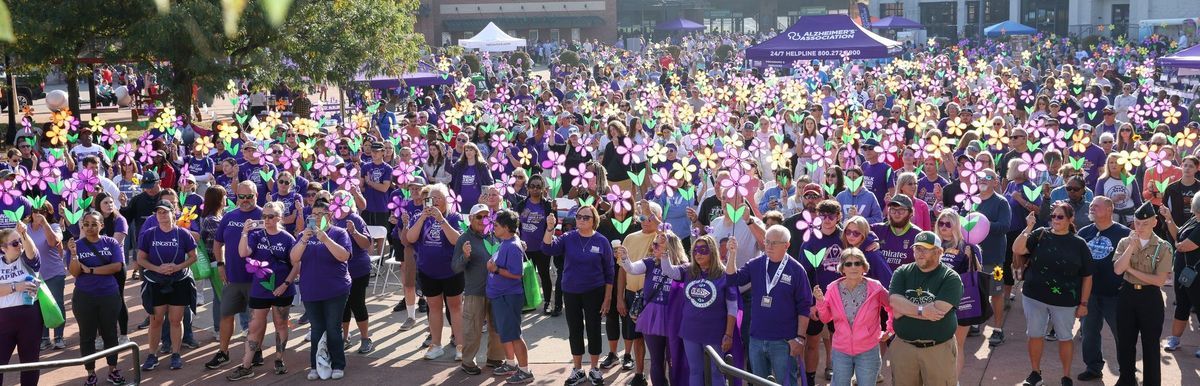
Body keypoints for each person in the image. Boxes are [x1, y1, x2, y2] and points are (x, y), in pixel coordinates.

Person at [1012, 202, 1093, 386]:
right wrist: (1029, 226)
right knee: (1034, 334)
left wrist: (1084, 303)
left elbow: (1088, 276)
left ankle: (1066, 376)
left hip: (1065, 300)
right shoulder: (1040, 234)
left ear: (1070, 219)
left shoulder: (1079, 244)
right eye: (1053, 216)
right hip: (1034, 296)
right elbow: (1017, 249)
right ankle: (1035, 373)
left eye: (1060, 216)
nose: (1055, 220)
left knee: (1065, 337)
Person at [724, 225, 811, 386]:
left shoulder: (797, 270)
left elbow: (804, 307)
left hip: (784, 341)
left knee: (787, 383)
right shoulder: (756, 264)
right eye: (767, 242)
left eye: (774, 243)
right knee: (759, 383)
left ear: (787, 245)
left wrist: (800, 338)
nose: (768, 247)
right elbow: (732, 280)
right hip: (756, 338)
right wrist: (732, 254)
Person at [542, 205, 615, 386]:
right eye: (579, 216)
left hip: (594, 291)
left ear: (594, 221)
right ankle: (577, 369)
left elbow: (610, 271)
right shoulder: (568, 237)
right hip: (571, 291)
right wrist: (550, 228)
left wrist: (607, 297)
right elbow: (547, 248)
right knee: (575, 329)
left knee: (594, 328)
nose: (581, 220)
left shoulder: (602, 241)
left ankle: (594, 368)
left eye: (586, 217)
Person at [227, 202, 298, 380]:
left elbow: (297, 264)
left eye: (271, 216)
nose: (267, 220)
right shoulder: (256, 236)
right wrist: (244, 232)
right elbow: (243, 253)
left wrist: (286, 284)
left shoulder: (288, 238)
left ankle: (279, 359)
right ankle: (246, 365)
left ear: (279, 217)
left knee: (281, 324)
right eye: (264, 216)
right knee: (254, 327)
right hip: (260, 289)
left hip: (283, 290)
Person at [656, 234, 737, 386]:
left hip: (715, 333)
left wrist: (729, 334)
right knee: (695, 370)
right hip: (690, 331)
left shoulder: (725, 273)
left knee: (716, 371)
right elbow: (668, 270)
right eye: (695, 250)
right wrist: (664, 249)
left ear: (712, 251)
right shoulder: (689, 270)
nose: (698, 254)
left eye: (703, 250)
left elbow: (732, 306)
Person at [887, 231, 963, 385]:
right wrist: (922, 310)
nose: (920, 253)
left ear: (939, 251)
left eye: (926, 249)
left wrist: (906, 309)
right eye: (917, 249)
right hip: (904, 347)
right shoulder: (902, 272)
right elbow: (895, 304)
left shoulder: (950, 278)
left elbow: (938, 312)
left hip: (938, 349)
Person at [812, 247, 894, 386]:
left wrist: (890, 329)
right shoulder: (832, 289)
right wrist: (820, 302)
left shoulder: (876, 288)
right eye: (848, 264)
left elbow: (891, 307)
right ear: (842, 268)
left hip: (868, 350)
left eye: (857, 263)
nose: (853, 267)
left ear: (864, 267)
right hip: (841, 350)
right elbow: (825, 318)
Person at [291, 197, 352, 381]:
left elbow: (344, 256)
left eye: (321, 214)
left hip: (335, 289)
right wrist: (303, 240)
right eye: (314, 214)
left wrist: (325, 239)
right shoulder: (304, 235)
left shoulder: (339, 233)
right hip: (311, 289)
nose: (317, 217)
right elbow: (294, 258)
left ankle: (337, 364)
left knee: (333, 327)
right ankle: (315, 365)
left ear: (330, 215)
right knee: (317, 328)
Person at [1112, 202, 1173, 386]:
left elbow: (1159, 281)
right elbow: (1117, 270)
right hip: (1127, 295)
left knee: (1151, 344)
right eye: (1137, 223)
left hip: (1150, 298)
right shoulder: (1125, 242)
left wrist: (1130, 269)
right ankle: (1127, 380)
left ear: (1155, 222)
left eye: (1145, 223)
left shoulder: (1163, 247)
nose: (1140, 227)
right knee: (1125, 341)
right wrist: (1131, 247)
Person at [67, 211, 128, 386]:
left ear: (102, 225)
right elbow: (74, 272)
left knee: (110, 333)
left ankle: (112, 370)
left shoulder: (111, 243)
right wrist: (73, 254)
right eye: (86, 224)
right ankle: (91, 373)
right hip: (84, 297)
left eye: (94, 224)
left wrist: (92, 270)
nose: (90, 228)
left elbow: (116, 266)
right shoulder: (76, 245)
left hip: (109, 295)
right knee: (87, 335)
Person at [404, 183, 464, 360]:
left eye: (439, 198)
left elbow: (457, 241)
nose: (435, 201)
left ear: (446, 200)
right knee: (434, 307)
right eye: (432, 198)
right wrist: (422, 218)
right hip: (428, 270)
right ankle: (436, 344)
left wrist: (441, 220)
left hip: (451, 271)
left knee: (455, 307)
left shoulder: (453, 217)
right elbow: (410, 238)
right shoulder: (419, 216)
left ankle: (461, 345)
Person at [617, 230, 685, 386]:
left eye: (658, 244)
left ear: (670, 247)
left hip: (674, 316)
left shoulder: (684, 267)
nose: (653, 247)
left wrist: (666, 257)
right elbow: (632, 269)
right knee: (656, 360)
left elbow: (670, 272)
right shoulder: (649, 262)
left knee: (673, 358)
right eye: (653, 243)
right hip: (652, 317)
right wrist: (625, 257)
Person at [207, 182, 263, 370]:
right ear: (236, 196)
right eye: (242, 196)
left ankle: (256, 351)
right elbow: (217, 243)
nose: (245, 201)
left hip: (256, 279)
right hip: (232, 277)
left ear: (256, 195)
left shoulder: (264, 215)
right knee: (226, 315)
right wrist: (220, 264)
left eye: (250, 196)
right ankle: (223, 352)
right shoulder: (229, 216)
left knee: (256, 318)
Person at [138, 200, 199, 371]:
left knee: (175, 319)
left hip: (178, 281)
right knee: (156, 320)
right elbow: (141, 258)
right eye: (159, 212)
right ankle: (152, 355)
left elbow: (193, 257)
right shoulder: (150, 234)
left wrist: (177, 267)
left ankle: (176, 354)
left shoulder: (183, 234)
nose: (162, 215)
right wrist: (157, 268)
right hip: (156, 282)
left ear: (174, 213)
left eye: (165, 212)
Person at [1075, 196, 1129, 381]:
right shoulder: (1084, 232)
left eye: (1096, 206)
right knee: (1089, 333)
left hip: (1116, 295)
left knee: (1122, 335)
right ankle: (1093, 367)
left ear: (1109, 210)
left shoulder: (1124, 233)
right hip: (1089, 294)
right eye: (1091, 206)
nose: (1091, 208)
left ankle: (1126, 372)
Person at [451, 204, 506, 375]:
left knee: (497, 327)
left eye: (485, 216)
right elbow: (455, 267)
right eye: (479, 217)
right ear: (470, 219)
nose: (483, 220)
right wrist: (465, 256)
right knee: (472, 329)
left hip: (496, 290)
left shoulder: (494, 235)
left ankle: (495, 358)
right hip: (475, 292)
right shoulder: (464, 238)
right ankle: (467, 362)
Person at [486, 209, 536, 384]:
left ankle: (524, 370)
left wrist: (496, 269)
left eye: (497, 225)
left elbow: (517, 274)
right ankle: (510, 363)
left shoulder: (512, 246)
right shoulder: (507, 242)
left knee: (514, 334)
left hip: (508, 297)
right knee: (506, 333)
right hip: (501, 296)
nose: (493, 227)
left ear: (506, 228)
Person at [933, 210, 984, 376]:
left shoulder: (968, 245)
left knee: (956, 345)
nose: (943, 227)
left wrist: (971, 256)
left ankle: (953, 381)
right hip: (934, 300)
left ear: (956, 226)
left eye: (948, 224)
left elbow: (979, 272)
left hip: (961, 301)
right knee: (936, 345)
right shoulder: (933, 243)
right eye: (941, 223)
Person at [0, 222, 42, 386]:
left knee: (29, 363)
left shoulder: (29, 260)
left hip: (29, 317)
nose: (20, 246)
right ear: (3, 248)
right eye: (15, 243)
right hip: (3, 320)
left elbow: (31, 251)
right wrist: (16, 287)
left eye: (21, 241)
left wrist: (24, 235)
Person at [975, 169, 1013, 347]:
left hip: (995, 258)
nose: (983, 179)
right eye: (980, 176)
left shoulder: (1001, 202)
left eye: (988, 177)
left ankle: (998, 329)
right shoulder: (971, 200)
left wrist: (982, 222)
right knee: (975, 291)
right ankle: (975, 322)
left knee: (996, 293)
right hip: (973, 257)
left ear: (995, 182)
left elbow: (1005, 226)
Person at [872, 194, 922, 271]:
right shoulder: (877, 230)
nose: (896, 213)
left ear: (911, 212)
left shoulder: (917, 235)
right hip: (879, 281)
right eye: (893, 209)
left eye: (901, 210)